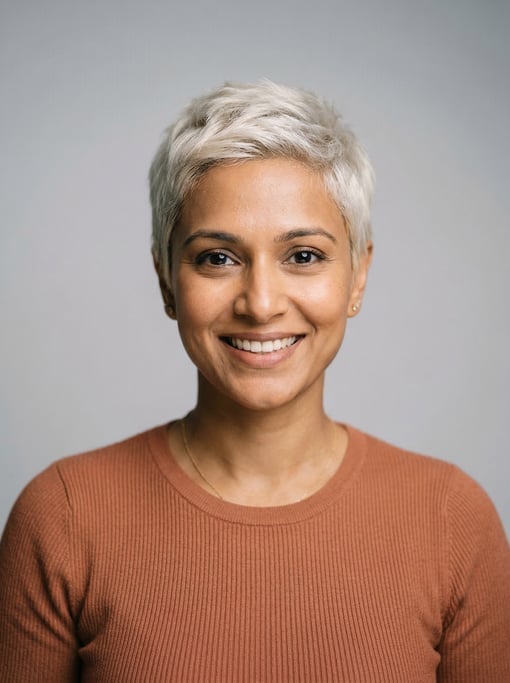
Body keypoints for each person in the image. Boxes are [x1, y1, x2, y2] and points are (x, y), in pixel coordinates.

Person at [1, 80, 509, 683]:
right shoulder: (63, 516)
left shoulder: (451, 518)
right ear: (167, 280)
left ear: (358, 277)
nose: (261, 304)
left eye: (303, 256)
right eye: (217, 257)